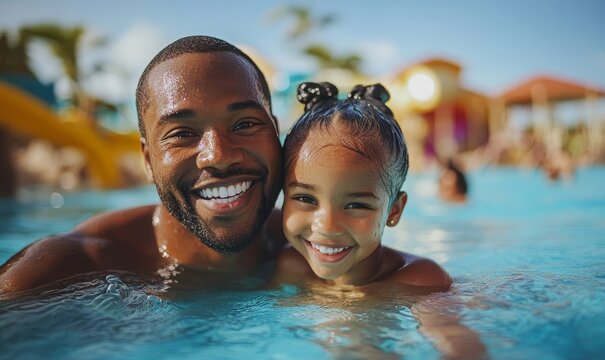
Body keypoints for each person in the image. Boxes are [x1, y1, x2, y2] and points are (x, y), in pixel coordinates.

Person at [0, 35, 284, 294]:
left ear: (276, 132)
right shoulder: (58, 275)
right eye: (183, 133)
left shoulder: (312, 246)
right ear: (148, 160)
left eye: (245, 124)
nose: (218, 156)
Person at [275, 82, 451, 288]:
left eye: (356, 205)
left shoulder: (419, 281)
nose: (327, 227)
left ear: (394, 211)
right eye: (306, 199)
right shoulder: (290, 268)